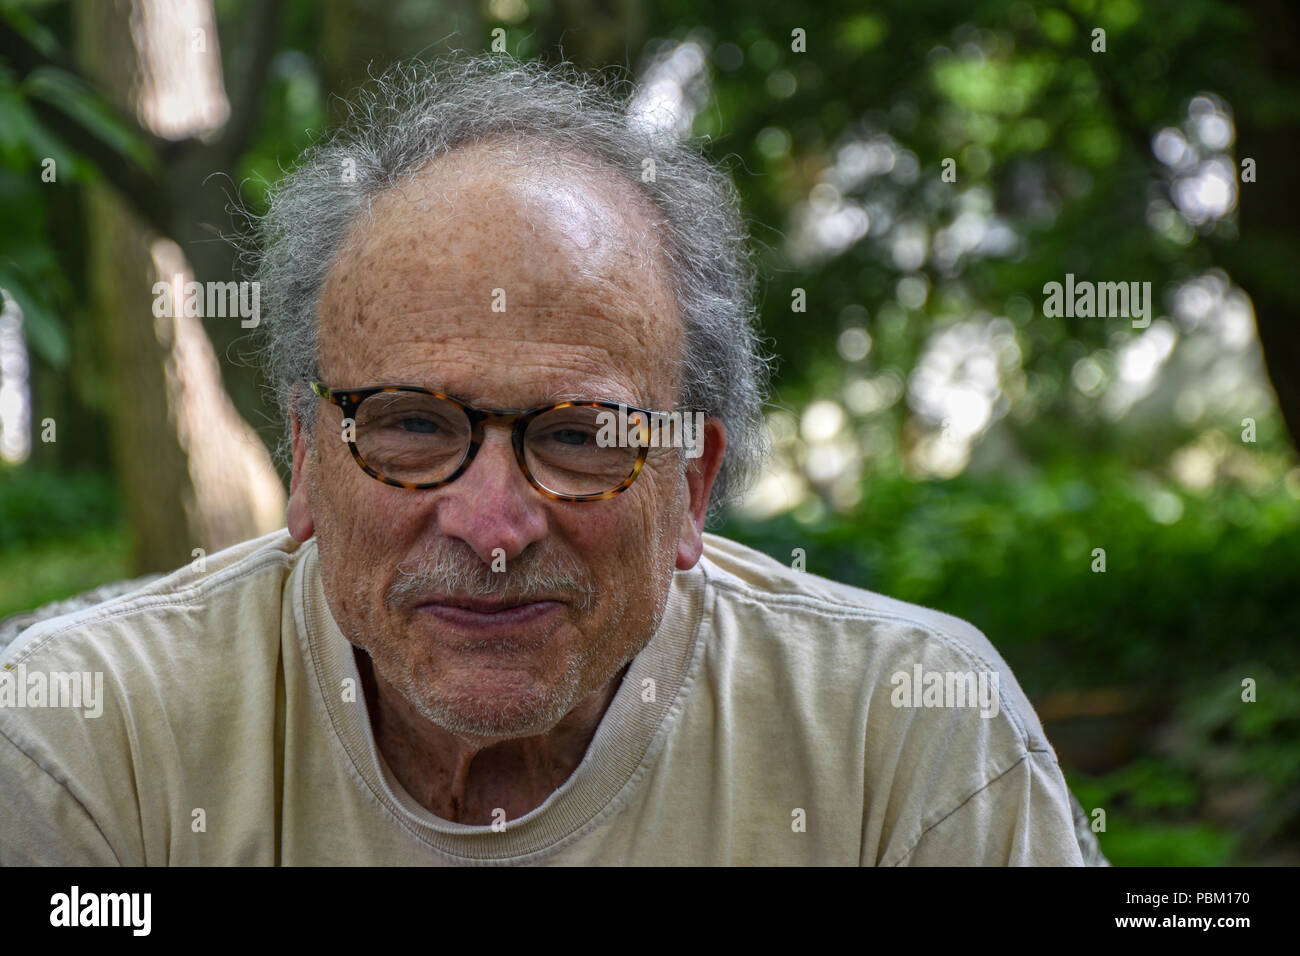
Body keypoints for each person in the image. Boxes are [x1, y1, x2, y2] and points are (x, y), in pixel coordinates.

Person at [0, 55, 1084, 865]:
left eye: (579, 438)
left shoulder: (906, 731)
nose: (492, 524)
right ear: (304, 457)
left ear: (692, 485)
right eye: (412, 427)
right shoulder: (89, 733)